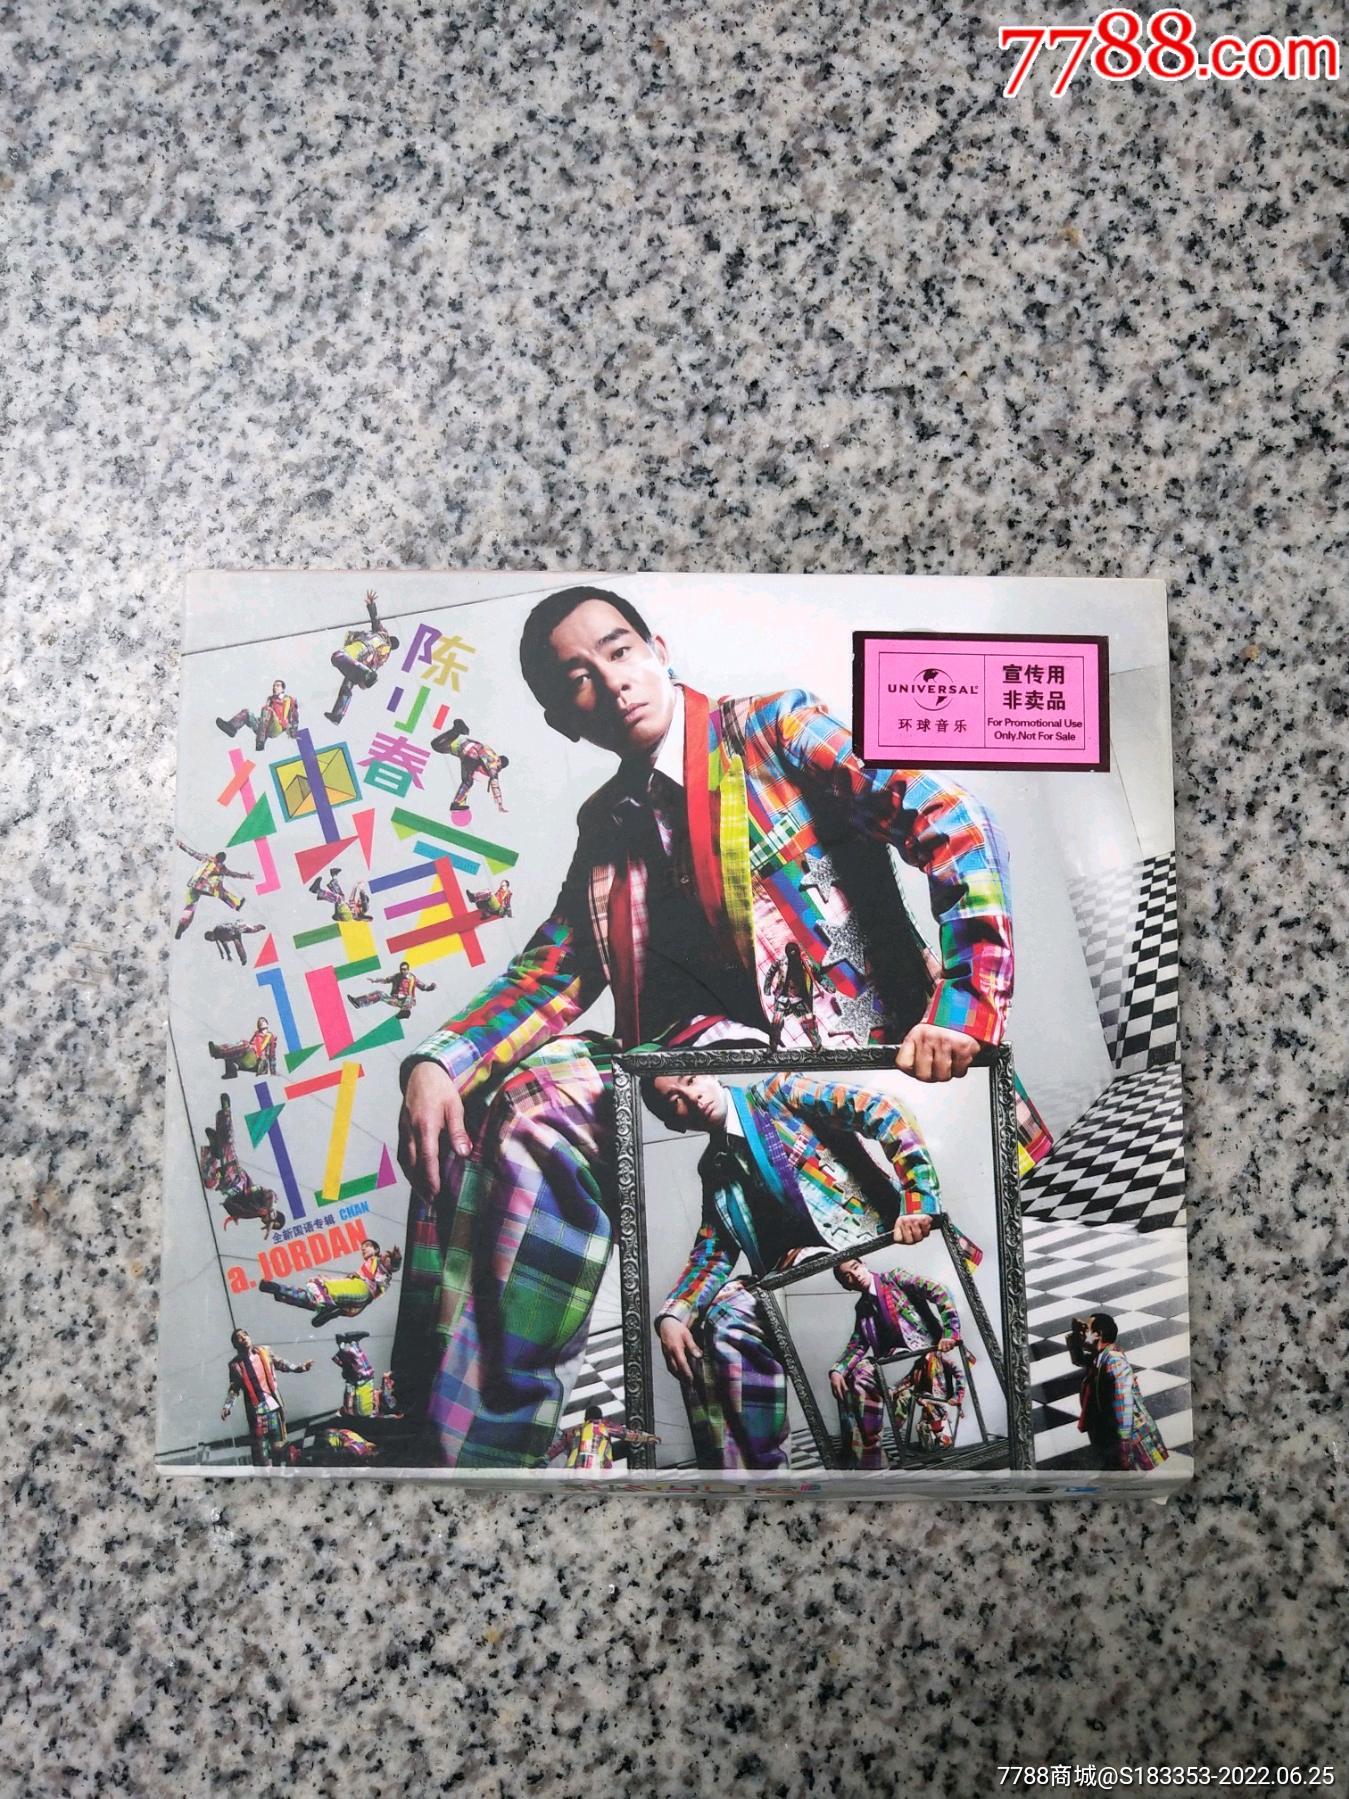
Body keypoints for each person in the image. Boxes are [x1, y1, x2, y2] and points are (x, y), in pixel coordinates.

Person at [393, 586, 1046, 1468]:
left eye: (619, 651)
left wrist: (962, 1009)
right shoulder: (606, 826)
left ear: (658, 648)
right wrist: (437, 1062)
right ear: (562, 720)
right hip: (734, 1117)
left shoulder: (773, 729)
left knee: (954, 1365)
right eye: (579, 678)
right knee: (525, 1096)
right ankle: (473, 1447)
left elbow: (953, 819)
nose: (612, 683)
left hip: (870, 1083)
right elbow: (553, 971)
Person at [645, 1070, 939, 1470]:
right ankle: (745, 1479)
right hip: (793, 1272)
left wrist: (919, 1199)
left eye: (691, 1079)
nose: (692, 1096)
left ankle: (762, 1472)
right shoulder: (713, 1166)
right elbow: (714, 1248)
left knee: (728, 1312)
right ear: (673, 1123)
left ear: (710, 1073)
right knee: (696, 1330)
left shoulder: (778, 1093)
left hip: (862, 1243)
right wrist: (672, 1315)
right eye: (674, 1100)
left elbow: (882, 1109)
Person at [829, 1257, 965, 1467]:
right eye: (848, 1276)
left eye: (855, 1268)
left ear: (864, 1265)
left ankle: (872, 1452)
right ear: (846, 1286)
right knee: (852, 1376)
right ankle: (870, 1453)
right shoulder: (862, 1307)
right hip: (894, 1365)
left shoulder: (895, 1278)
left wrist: (951, 1332)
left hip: (927, 1359)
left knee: (861, 1374)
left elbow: (939, 1290)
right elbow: (858, 1344)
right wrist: (837, 1370)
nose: (855, 1275)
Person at [1070, 1313, 1169, 1471]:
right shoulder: (1101, 1355)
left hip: (1127, 1437)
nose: (1083, 1334)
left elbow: (1124, 1407)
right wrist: (1075, 1335)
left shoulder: (1114, 1360)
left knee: (1133, 1476)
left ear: (1098, 1334)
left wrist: (1124, 1447)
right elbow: (1079, 1359)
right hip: (1113, 1432)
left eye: (1086, 1330)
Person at [259, 1240, 402, 1330]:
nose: (363, 1249)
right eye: (363, 1247)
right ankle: (279, 1290)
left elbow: (376, 1286)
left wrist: (385, 1265)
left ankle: (329, 1308)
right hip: (353, 1292)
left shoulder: (381, 1270)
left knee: (323, 1289)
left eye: (367, 1246)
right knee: (313, 1300)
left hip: (361, 1289)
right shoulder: (373, 1263)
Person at [220, 1329, 312, 1466]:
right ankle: (267, 1474)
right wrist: (228, 1406)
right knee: (261, 1450)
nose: (244, 1338)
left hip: (273, 1407)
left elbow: (281, 1363)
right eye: (239, 1337)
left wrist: (300, 1368)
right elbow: (234, 1388)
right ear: (235, 1345)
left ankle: (283, 1469)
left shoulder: (264, 1351)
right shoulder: (235, 1365)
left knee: (279, 1446)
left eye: (245, 1335)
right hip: (257, 1412)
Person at [199, 1094, 286, 1238]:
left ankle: (214, 1149)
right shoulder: (267, 1204)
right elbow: (270, 1194)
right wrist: (271, 1210)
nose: (268, 1224)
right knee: (227, 1147)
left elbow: (237, 1206)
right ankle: (225, 1111)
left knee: (209, 1182)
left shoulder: (255, 1213)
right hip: (237, 1180)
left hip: (226, 1187)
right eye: (272, 1222)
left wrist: (234, 1216)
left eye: (271, 1225)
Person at [325, 590, 400, 724]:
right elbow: (375, 665)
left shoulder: (382, 634)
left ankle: (366, 674)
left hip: (361, 651)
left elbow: (375, 619)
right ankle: (337, 716)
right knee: (347, 687)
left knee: (337, 657)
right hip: (360, 665)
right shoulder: (384, 655)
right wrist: (364, 680)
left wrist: (371, 604)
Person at [545, 1403, 661, 1472]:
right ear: (600, 1418)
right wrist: (649, 1438)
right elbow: (629, 1434)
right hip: (599, 1472)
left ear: (585, 1419)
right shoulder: (605, 1427)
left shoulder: (573, 1431)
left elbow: (554, 1450)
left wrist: (541, 1460)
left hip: (573, 1472)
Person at [174, 841, 254, 939]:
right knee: (221, 890)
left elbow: (193, 853)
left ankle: (182, 924)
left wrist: (181, 845)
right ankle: (236, 904)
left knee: (190, 907)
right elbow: (233, 874)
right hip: (208, 888)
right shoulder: (221, 868)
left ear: (216, 857)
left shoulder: (207, 859)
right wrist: (246, 876)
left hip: (194, 886)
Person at [431, 717, 511, 814]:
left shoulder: (492, 754)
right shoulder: (495, 764)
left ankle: (455, 731)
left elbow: (480, 748)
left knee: (436, 746)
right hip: (470, 755)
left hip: (465, 746)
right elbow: (495, 785)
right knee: (468, 781)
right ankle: (455, 804)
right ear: (502, 765)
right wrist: (500, 804)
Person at [765, 939, 828, 1052]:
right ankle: (772, 1047)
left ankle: (818, 1047)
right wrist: (767, 988)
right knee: (776, 1023)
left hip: (799, 998)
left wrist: (826, 985)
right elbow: (770, 973)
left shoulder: (807, 964)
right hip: (783, 998)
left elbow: (818, 976)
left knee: (809, 1024)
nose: (793, 957)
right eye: (791, 954)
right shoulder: (781, 961)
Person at [217, 679, 300, 751]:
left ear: (283, 689)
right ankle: (231, 728)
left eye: (278, 686)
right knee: (246, 712)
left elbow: (295, 716)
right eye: (274, 686)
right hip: (264, 727)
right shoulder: (270, 699)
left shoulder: (289, 699)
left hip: (277, 727)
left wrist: (293, 731)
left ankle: (260, 741)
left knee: (267, 709)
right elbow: (265, 717)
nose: (275, 687)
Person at [350, 962, 437, 1019]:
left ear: (408, 969)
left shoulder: (413, 979)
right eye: (401, 969)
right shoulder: (396, 976)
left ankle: (405, 1011)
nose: (403, 971)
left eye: (405, 969)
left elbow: (423, 987)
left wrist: (431, 987)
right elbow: (385, 980)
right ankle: (358, 1002)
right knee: (379, 993)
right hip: (396, 1000)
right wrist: (375, 980)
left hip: (407, 1001)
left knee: (409, 997)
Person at [208, 1016, 278, 1079]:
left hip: (255, 1060)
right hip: (248, 1056)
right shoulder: (257, 1034)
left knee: (245, 1044)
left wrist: (273, 1071)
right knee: (234, 1046)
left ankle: (218, 1053)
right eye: (259, 1022)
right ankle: (231, 1071)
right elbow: (251, 1044)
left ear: (267, 1024)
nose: (260, 1022)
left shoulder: (270, 1036)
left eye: (263, 1021)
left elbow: (272, 1054)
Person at [204, 921, 268, 965]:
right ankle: (243, 959)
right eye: (210, 939)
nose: (212, 939)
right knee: (238, 946)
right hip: (234, 936)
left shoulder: (217, 929)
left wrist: (232, 927)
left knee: (253, 930)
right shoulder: (219, 939)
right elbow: (225, 946)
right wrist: (228, 955)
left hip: (236, 929)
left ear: (211, 933)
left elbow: (225, 925)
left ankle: (259, 927)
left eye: (211, 937)